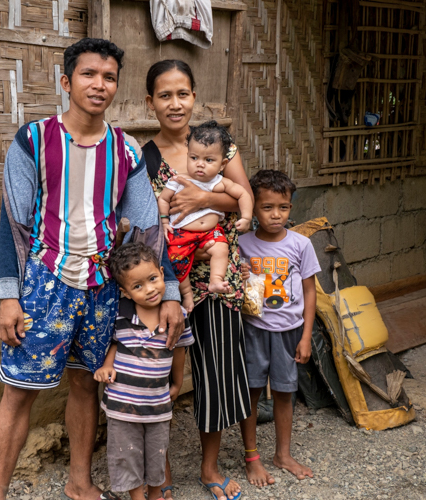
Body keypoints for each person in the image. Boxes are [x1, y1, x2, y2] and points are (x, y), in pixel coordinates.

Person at [0, 39, 185, 500]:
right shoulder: (32, 140)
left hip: (101, 290)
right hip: (44, 285)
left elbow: (148, 230)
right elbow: (12, 224)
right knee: (19, 392)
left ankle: (79, 481)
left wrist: (172, 290)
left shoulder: (126, 151)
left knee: (85, 382)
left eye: (110, 77)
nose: (100, 85)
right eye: (89, 75)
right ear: (67, 81)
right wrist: (8, 295)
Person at [142, 59, 252, 500]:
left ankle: (209, 468)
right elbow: (143, 219)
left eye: (183, 93)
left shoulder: (219, 145)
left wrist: (206, 196)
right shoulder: (142, 156)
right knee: (158, 372)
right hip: (163, 281)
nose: (175, 104)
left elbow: (245, 201)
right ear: (150, 102)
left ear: (194, 96)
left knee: (218, 369)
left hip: (216, 277)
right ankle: (162, 473)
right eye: (165, 95)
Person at [238, 169, 320, 485]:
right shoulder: (242, 243)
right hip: (254, 330)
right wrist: (240, 276)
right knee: (251, 392)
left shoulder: (301, 245)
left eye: (283, 207)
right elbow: (233, 282)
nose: (275, 215)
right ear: (254, 208)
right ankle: (252, 456)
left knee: (285, 393)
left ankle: (282, 454)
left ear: (291, 207)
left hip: (289, 331)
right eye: (267, 207)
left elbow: (311, 291)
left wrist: (306, 336)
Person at [94, 243, 194, 500]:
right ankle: (138, 497)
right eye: (137, 286)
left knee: (156, 453)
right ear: (125, 292)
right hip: (122, 404)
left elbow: (180, 349)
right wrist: (106, 366)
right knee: (125, 454)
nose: (149, 289)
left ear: (162, 273)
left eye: (152, 279)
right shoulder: (121, 315)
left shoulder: (176, 315)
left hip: (157, 405)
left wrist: (177, 384)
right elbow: (115, 343)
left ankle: (157, 494)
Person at [158, 121, 253, 312]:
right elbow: (163, 199)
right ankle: (185, 295)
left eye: (209, 160)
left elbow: (243, 194)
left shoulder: (219, 183)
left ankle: (215, 281)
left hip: (210, 233)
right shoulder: (178, 180)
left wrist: (247, 217)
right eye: (194, 158)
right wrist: (164, 221)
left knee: (221, 248)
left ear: (222, 164)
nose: (200, 164)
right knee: (176, 260)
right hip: (182, 234)